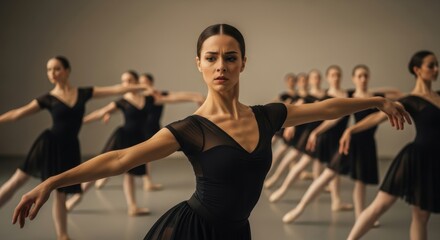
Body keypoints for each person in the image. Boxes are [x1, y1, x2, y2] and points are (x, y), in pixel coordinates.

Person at [12, 24, 409, 240]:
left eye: (230, 57)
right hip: (195, 231)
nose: (221, 65)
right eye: (212, 58)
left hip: (238, 232)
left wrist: (374, 101)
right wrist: (51, 181)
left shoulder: (267, 115)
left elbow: (326, 107)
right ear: (199, 64)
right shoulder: (190, 129)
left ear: (242, 63)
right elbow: (119, 158)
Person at [0, 56, 148, 240]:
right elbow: (17, 113)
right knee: (17, 182)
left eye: (56, 69)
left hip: (69, 147)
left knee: (61, 193)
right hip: (48, 144)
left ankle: (63, 235)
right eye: (49, 70)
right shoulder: (48, 99)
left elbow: (116, 89)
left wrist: (141, 87)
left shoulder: (83, 93)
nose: (52, 73)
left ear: (67, 70)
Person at [66, 70, 204, 214]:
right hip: (122, 137)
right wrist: (80, 121)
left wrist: (194, 96)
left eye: (130, 80)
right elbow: (101, 112)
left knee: (130, 174)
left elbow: (172, 98)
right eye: (124, 81)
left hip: (137, 138)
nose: (126, 84)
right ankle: (76, 198)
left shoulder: (149, 99)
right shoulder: (122, 101)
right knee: (101, 168)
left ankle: (132, 207)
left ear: (136, 82)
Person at [346, 50, 438, 240]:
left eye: (437, 65)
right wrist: (350, 130)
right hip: (416, 157)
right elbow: (376, 117)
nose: (436, 69)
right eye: (431, 65)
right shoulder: (409, 100)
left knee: (422, 215)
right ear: (417, 70)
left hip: (436, 160)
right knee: (380, 205)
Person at [280, 64, 390, 224]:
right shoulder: (351, 98)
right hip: (350, 142)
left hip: (367, 144)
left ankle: (361, 217)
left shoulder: (375, 97)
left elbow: (396, 95)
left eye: (366, 75)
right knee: (327, 175)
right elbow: (335, 118)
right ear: (353, 79)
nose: (363, 79)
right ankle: (299, 208)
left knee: (361, 183)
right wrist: (316, 132)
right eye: (359, 76)